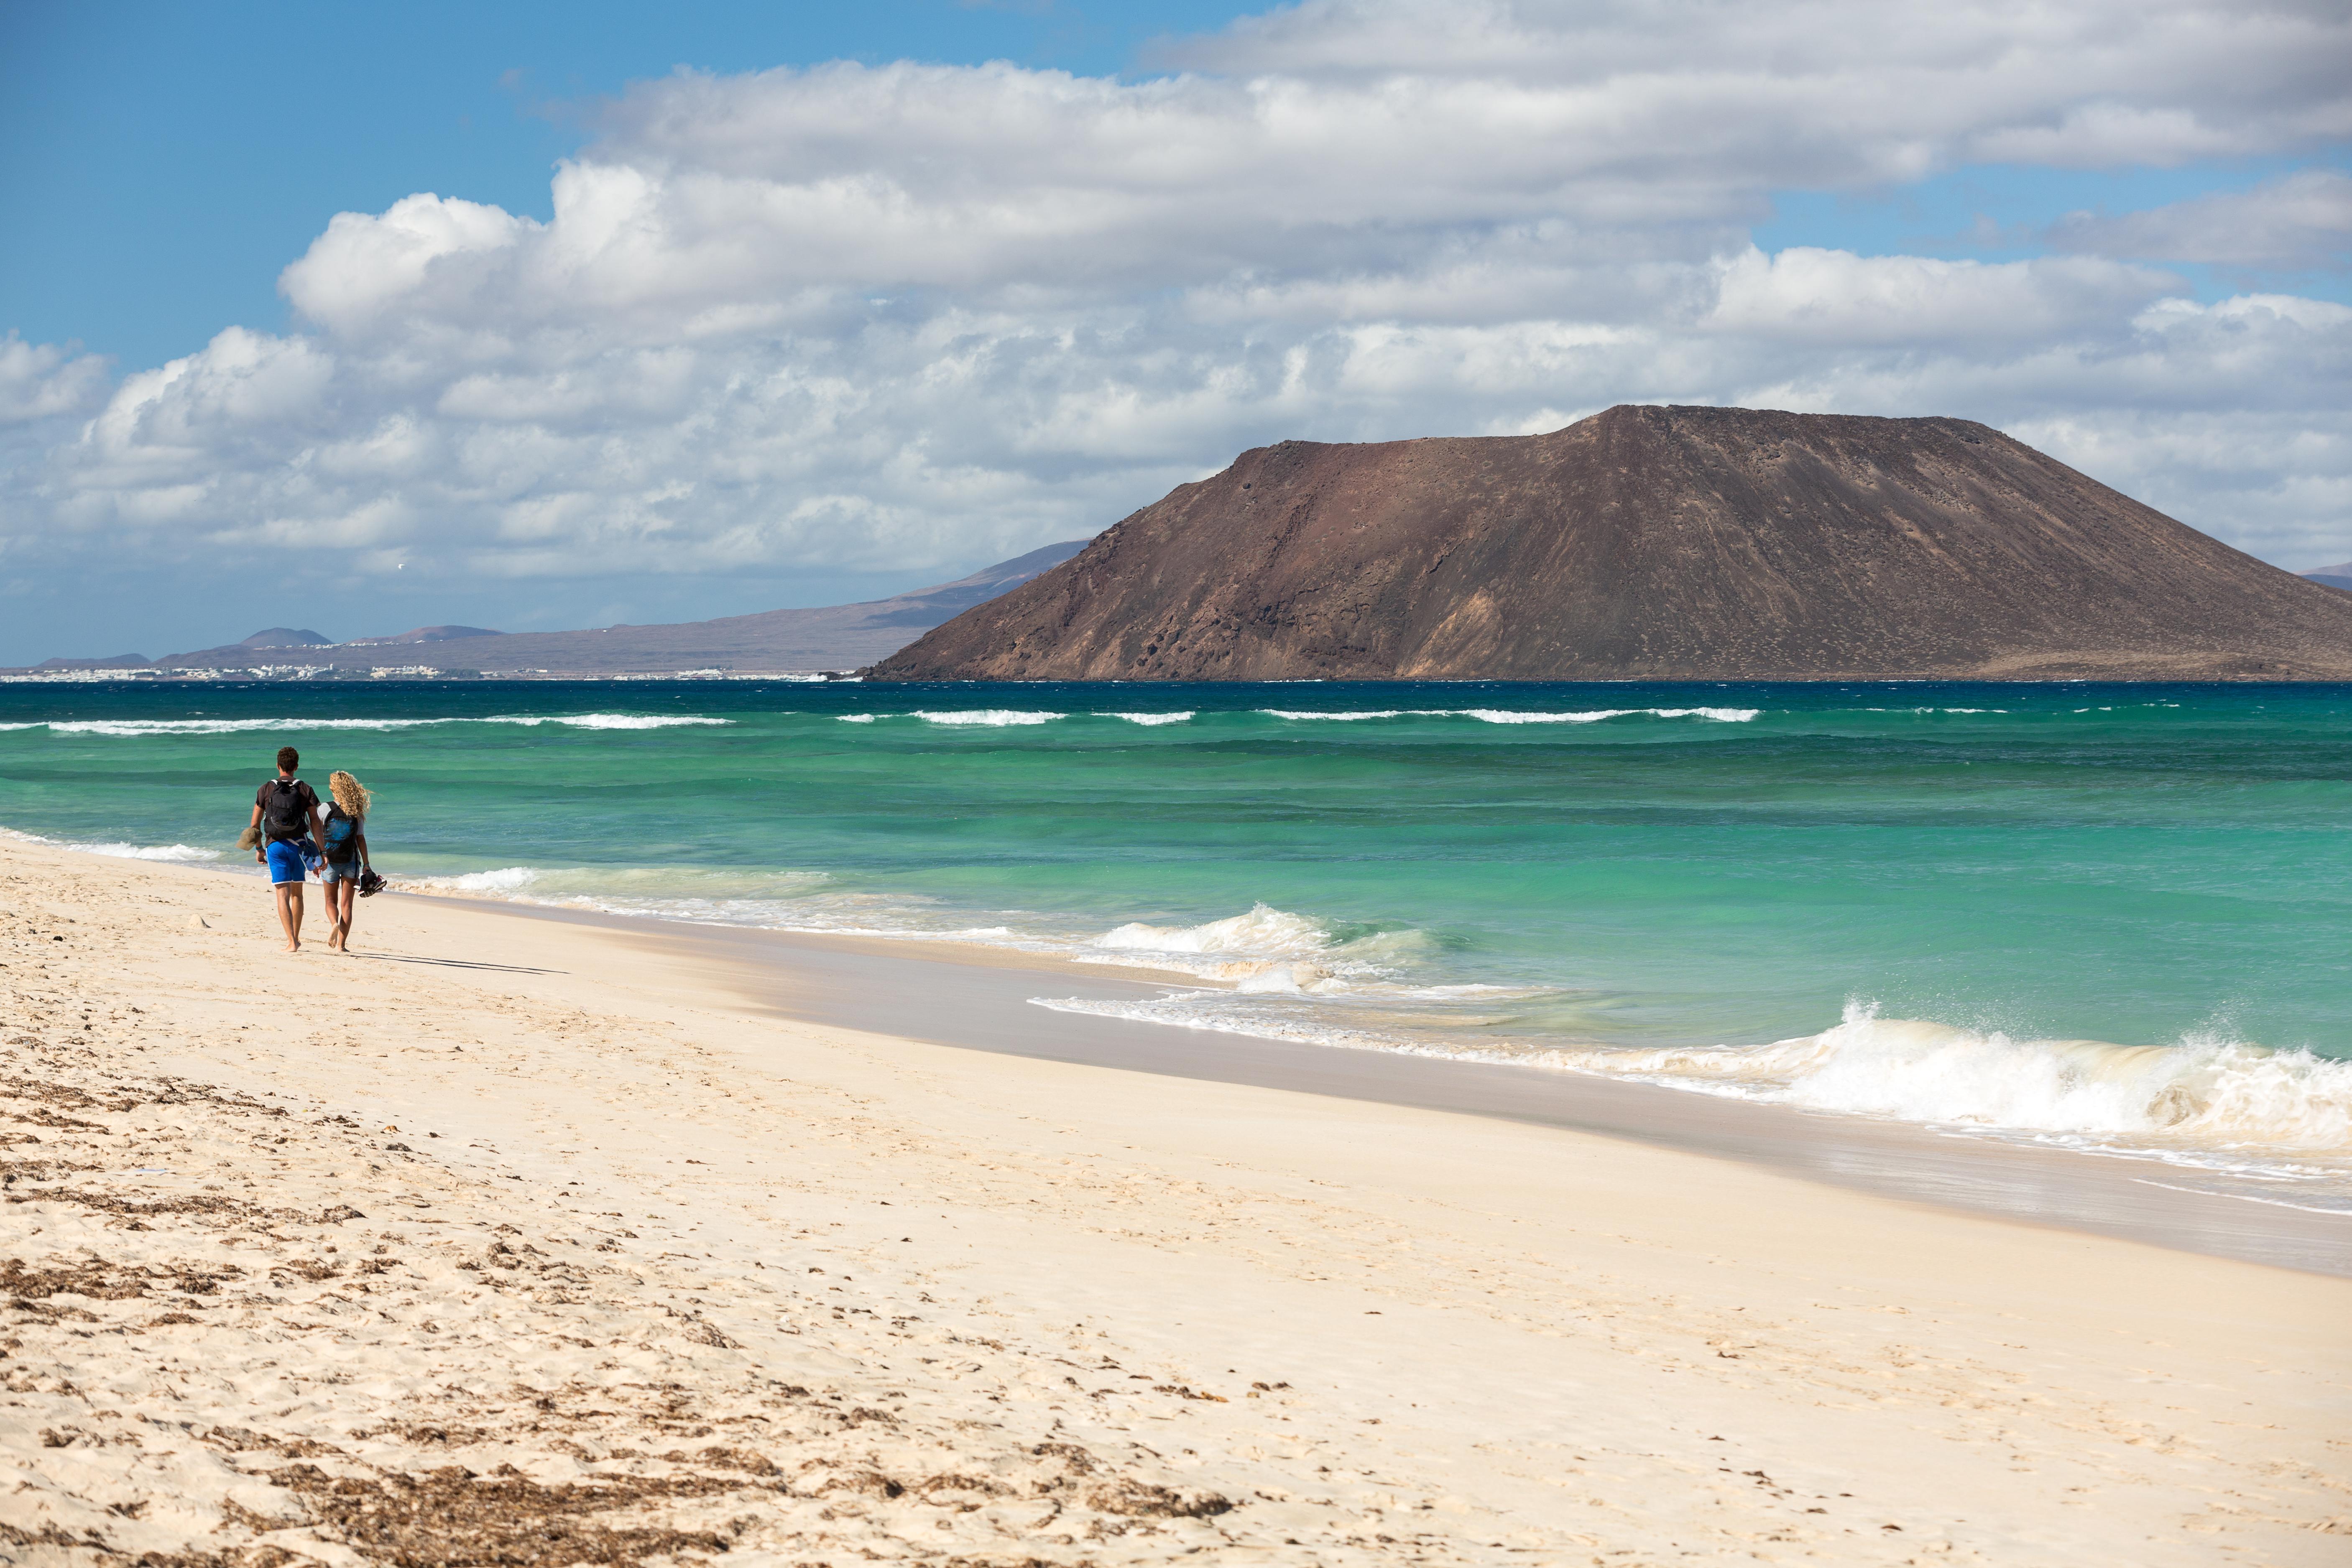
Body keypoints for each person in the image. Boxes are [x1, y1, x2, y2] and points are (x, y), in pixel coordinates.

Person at [249, 746, 327, 952]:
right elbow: (316, 823)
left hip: (275, 847)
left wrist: (258, 849)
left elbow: (254, 825)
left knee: (282, 895)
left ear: (278, 766)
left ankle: (291, 942)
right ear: (296, 767)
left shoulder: (265, 789)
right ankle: (297, 939)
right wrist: (322, 851)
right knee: (297, 895)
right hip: (298, 847)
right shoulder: (305, 789)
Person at [318, 770, 373, 953]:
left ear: (333, 788)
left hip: (330, 861)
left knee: (330, 902)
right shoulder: (356, 812)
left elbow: (318, 834)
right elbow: (361, 839)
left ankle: (334, 923)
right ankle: (342, 946)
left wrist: (318, 857)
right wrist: (366, 864)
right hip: (351, 861)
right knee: (347, 905)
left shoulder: (325, 808)